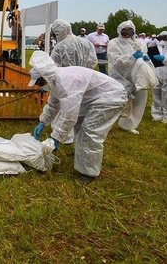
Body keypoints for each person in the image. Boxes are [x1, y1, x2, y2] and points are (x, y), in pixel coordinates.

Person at [29, 51, 128, 182]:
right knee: (79, 125)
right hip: (96, 98)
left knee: (89, 132)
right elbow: (53, 104)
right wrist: (43, 121)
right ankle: (82, 156)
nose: (39, 86)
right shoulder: (55, 80)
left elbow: (69, 114)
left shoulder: (65, 82)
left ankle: (89, 172)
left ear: (45, 76)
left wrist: (56, 137)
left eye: (39, 82)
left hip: (111, 97)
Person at [107, 20, 153, 134]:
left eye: (130, 30)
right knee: (118, 101)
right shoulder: (114, 43)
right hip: (120, 75)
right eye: (124, 30)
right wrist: (132, 57)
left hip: (137, 75)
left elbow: (144, 55)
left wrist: (146, 59)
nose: (127, 33)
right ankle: (107, 122)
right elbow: (115, 61)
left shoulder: (139, 43)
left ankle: (129, 124)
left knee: (138, 100)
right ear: (119, 31)